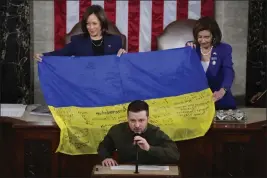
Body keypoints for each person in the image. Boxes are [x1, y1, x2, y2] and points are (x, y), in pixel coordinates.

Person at [97, 100, 180, 166]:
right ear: (127, 118)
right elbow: (103, 147)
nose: (137, 125)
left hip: (151, 174)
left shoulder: (155, 133)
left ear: (148, 118)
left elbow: (175, 155)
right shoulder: (117, 131)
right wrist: (106, 158)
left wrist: (149, 148)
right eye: (132, 120)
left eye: (141, 120)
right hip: (124, 173)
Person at [33, 5, 126, 62]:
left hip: (108, 84)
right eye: (88, 24)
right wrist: (43, 56)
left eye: (94, 23)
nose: (91, 27)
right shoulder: (77, 41)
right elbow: (60, 53)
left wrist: (124, 57)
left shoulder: (115, 41)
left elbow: (121, 67)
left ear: (102, 23)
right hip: (84, 86)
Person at [186, 16, 236, 110]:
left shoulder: (224, 49)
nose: (203, 40)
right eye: (199, 37)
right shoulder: (192, 48)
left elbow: (229, 72)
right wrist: (187, 51)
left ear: (214, 36)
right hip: (197, 101)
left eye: (206, 37)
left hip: (219, 98)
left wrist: (222, 91)